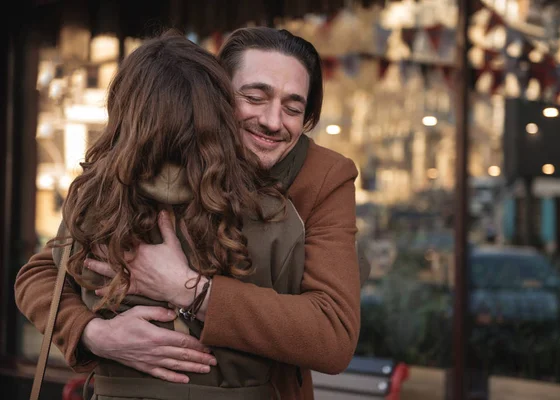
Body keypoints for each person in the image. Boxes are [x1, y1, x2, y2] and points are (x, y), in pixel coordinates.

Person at [15, 27, 365, 399]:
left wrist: (189, 289)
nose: (273, 121)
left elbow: (332, 334)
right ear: (213, 96)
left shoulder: (322, 177)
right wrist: (92, 333)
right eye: (254, 97)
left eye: (293, 108)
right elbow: (43, 273)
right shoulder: (155, 166)